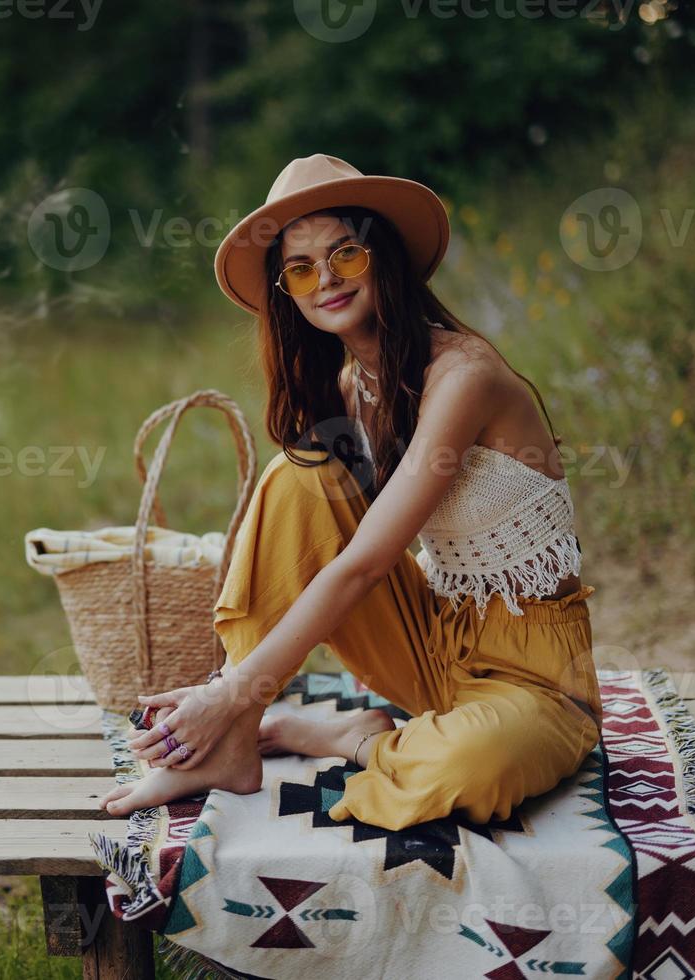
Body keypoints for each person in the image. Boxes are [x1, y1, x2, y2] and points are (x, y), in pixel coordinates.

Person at [98, 154, 603, 831]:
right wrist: (232, 697)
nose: (326, 279)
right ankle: (235, 740)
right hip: (430, 645)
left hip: (537, 679)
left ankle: (347, 735)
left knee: (469, 767)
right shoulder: (350, 390)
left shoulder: (464, 377)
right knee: (295, 477)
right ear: (286, 291)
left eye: (346, 255)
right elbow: (311, 538)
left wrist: (232, 691)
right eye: (301, 268)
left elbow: (365, 563)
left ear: (383, 258)